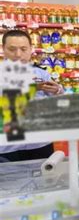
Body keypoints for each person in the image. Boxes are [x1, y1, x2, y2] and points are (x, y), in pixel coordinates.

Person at [0, 29, 63, 162]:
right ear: (3, 49)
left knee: (44, 177)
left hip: (40, 141)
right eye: (12, 49)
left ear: (31, 49)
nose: (18, 54)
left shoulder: (41, 74)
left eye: (23, 49)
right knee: (10, 180)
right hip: (7, 145)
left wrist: (57, 90)